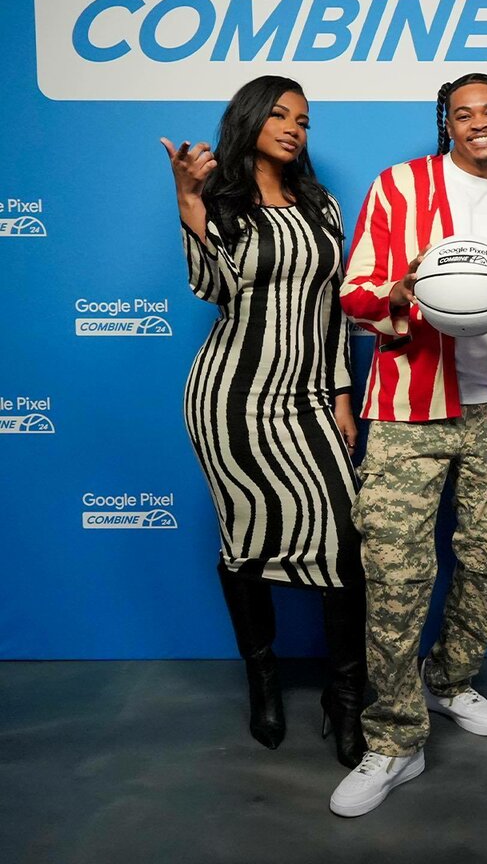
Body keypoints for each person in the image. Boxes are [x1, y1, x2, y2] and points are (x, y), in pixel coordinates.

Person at [329, 71, 487, 817]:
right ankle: (396, 739)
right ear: (447, 123)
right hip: (410, 410)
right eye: (463, 114)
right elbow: (355, 290)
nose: (479, 123)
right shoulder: (398, 188)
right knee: (395, 571)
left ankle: (449, 678)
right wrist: (395, 294)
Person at [160, 75, 366, 768]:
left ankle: (345, 695)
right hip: (232, 399)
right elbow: (213, 285)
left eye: (303, 120)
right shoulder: (221, 201)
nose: (293, 128)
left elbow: (334, 309)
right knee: (246, 540)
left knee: (346, 540)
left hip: (309, 399)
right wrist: (189, 201)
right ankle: (263, 678)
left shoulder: (321, 204)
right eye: (279, 115)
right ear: (249, 120)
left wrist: (342, 397)